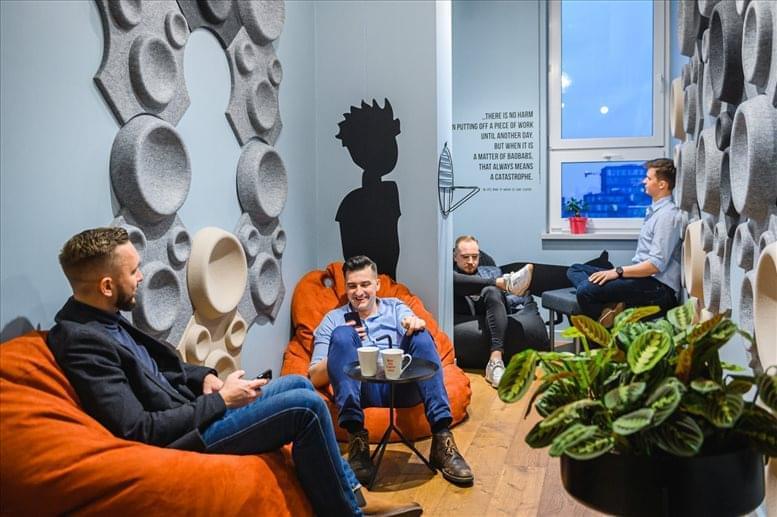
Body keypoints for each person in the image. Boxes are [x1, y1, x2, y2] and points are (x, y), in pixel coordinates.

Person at [47, 227, 421, 517]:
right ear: (106, 286)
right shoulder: (82, 341)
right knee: (305, 409)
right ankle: (348, 513)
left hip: (194, 408)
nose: (141, 277)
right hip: (183, 437)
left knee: (296, 383)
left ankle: (354, 495)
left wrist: (206, 378)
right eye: (133, 271)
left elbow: (162, 369)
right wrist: (222, 402)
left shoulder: (105, 316)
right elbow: (139, 429)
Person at [308, 255, 474, 487]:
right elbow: (314, 377)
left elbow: (411, 321)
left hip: (402, 387)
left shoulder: (395, 307)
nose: (359, 292)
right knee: (342, 335)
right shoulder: (333, 319)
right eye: (352, 286)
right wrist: (342, 351)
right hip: (361, 391)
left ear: (377, 284)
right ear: (345, 288)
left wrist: (414, 324)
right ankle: (357, 441)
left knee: (421, 335)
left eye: (365, 284)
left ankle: (442, 440)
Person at [453, 236, 612, 386]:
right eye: (465, 257)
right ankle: (505, 283)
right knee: (491, 286)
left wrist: (513, 292)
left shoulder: (491, 271)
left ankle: (495, 361)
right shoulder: (447, 276)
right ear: (455, 257)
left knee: (494, 289)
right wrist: (499, 283)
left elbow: (515, 300)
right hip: (469, 313)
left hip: (496, 307)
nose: (471, 262)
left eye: (475, 257)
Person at [566, 158, 681, 326]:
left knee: (585, 291)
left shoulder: (667, 216)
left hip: (658, 289)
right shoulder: (655, 212)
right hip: (644, 280)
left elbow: (655, 266)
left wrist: (617, 272)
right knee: (575, 269)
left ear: (662, 185)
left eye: (649, 178)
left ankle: (607, 331)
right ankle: (610, 308)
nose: (644, 181)